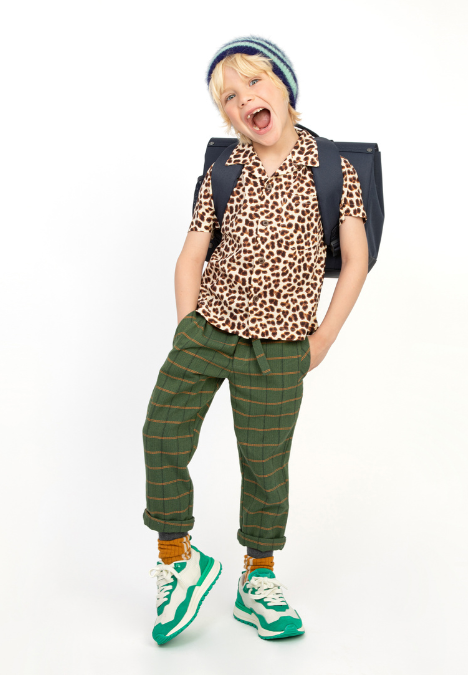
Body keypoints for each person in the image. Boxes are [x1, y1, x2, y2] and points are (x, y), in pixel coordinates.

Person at [143, 35, 368, 644]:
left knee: (265, 464)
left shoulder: (332, 169)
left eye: (254, 82)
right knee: (161, 431)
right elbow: (190, 257)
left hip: (281, 346)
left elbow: (356, 260)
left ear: (285, 90)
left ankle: (258, 579)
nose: (244, 100)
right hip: (209, 329)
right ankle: (178, 560)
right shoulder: (223, 171)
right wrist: (188, 327)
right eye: (229, 98)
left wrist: (323, 339)